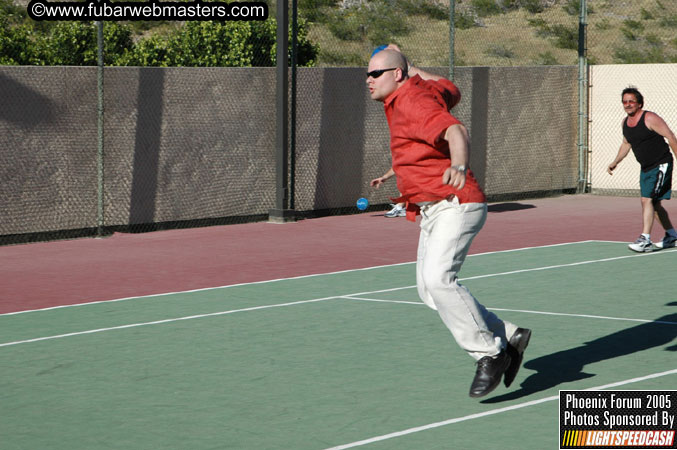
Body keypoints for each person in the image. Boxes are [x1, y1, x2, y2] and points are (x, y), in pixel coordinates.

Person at [366, 45, 531, 398]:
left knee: (439, 280)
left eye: (376, 73)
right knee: (429, 291)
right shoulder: (418, 91)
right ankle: (509, 334)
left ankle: (490, 353)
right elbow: (449, 87)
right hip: (433, 209)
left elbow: (455, 130)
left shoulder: (413, 102)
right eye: (367, 73)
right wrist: (407, 61)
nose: (368, 80)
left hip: (456, 203)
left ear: (396, 75)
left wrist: (457, 164)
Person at [607, 87, 677, 252]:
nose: (628, 104)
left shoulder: (650, 118)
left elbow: (671, 137)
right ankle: (672, 235)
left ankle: (645, 239)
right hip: (646, 168)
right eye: (625, 101)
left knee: (648, 200)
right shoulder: (625, 123)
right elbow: (626, 143)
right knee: (653, 204)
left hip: (661, 163)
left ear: (639, 103)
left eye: (631, 101)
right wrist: (615, 161)